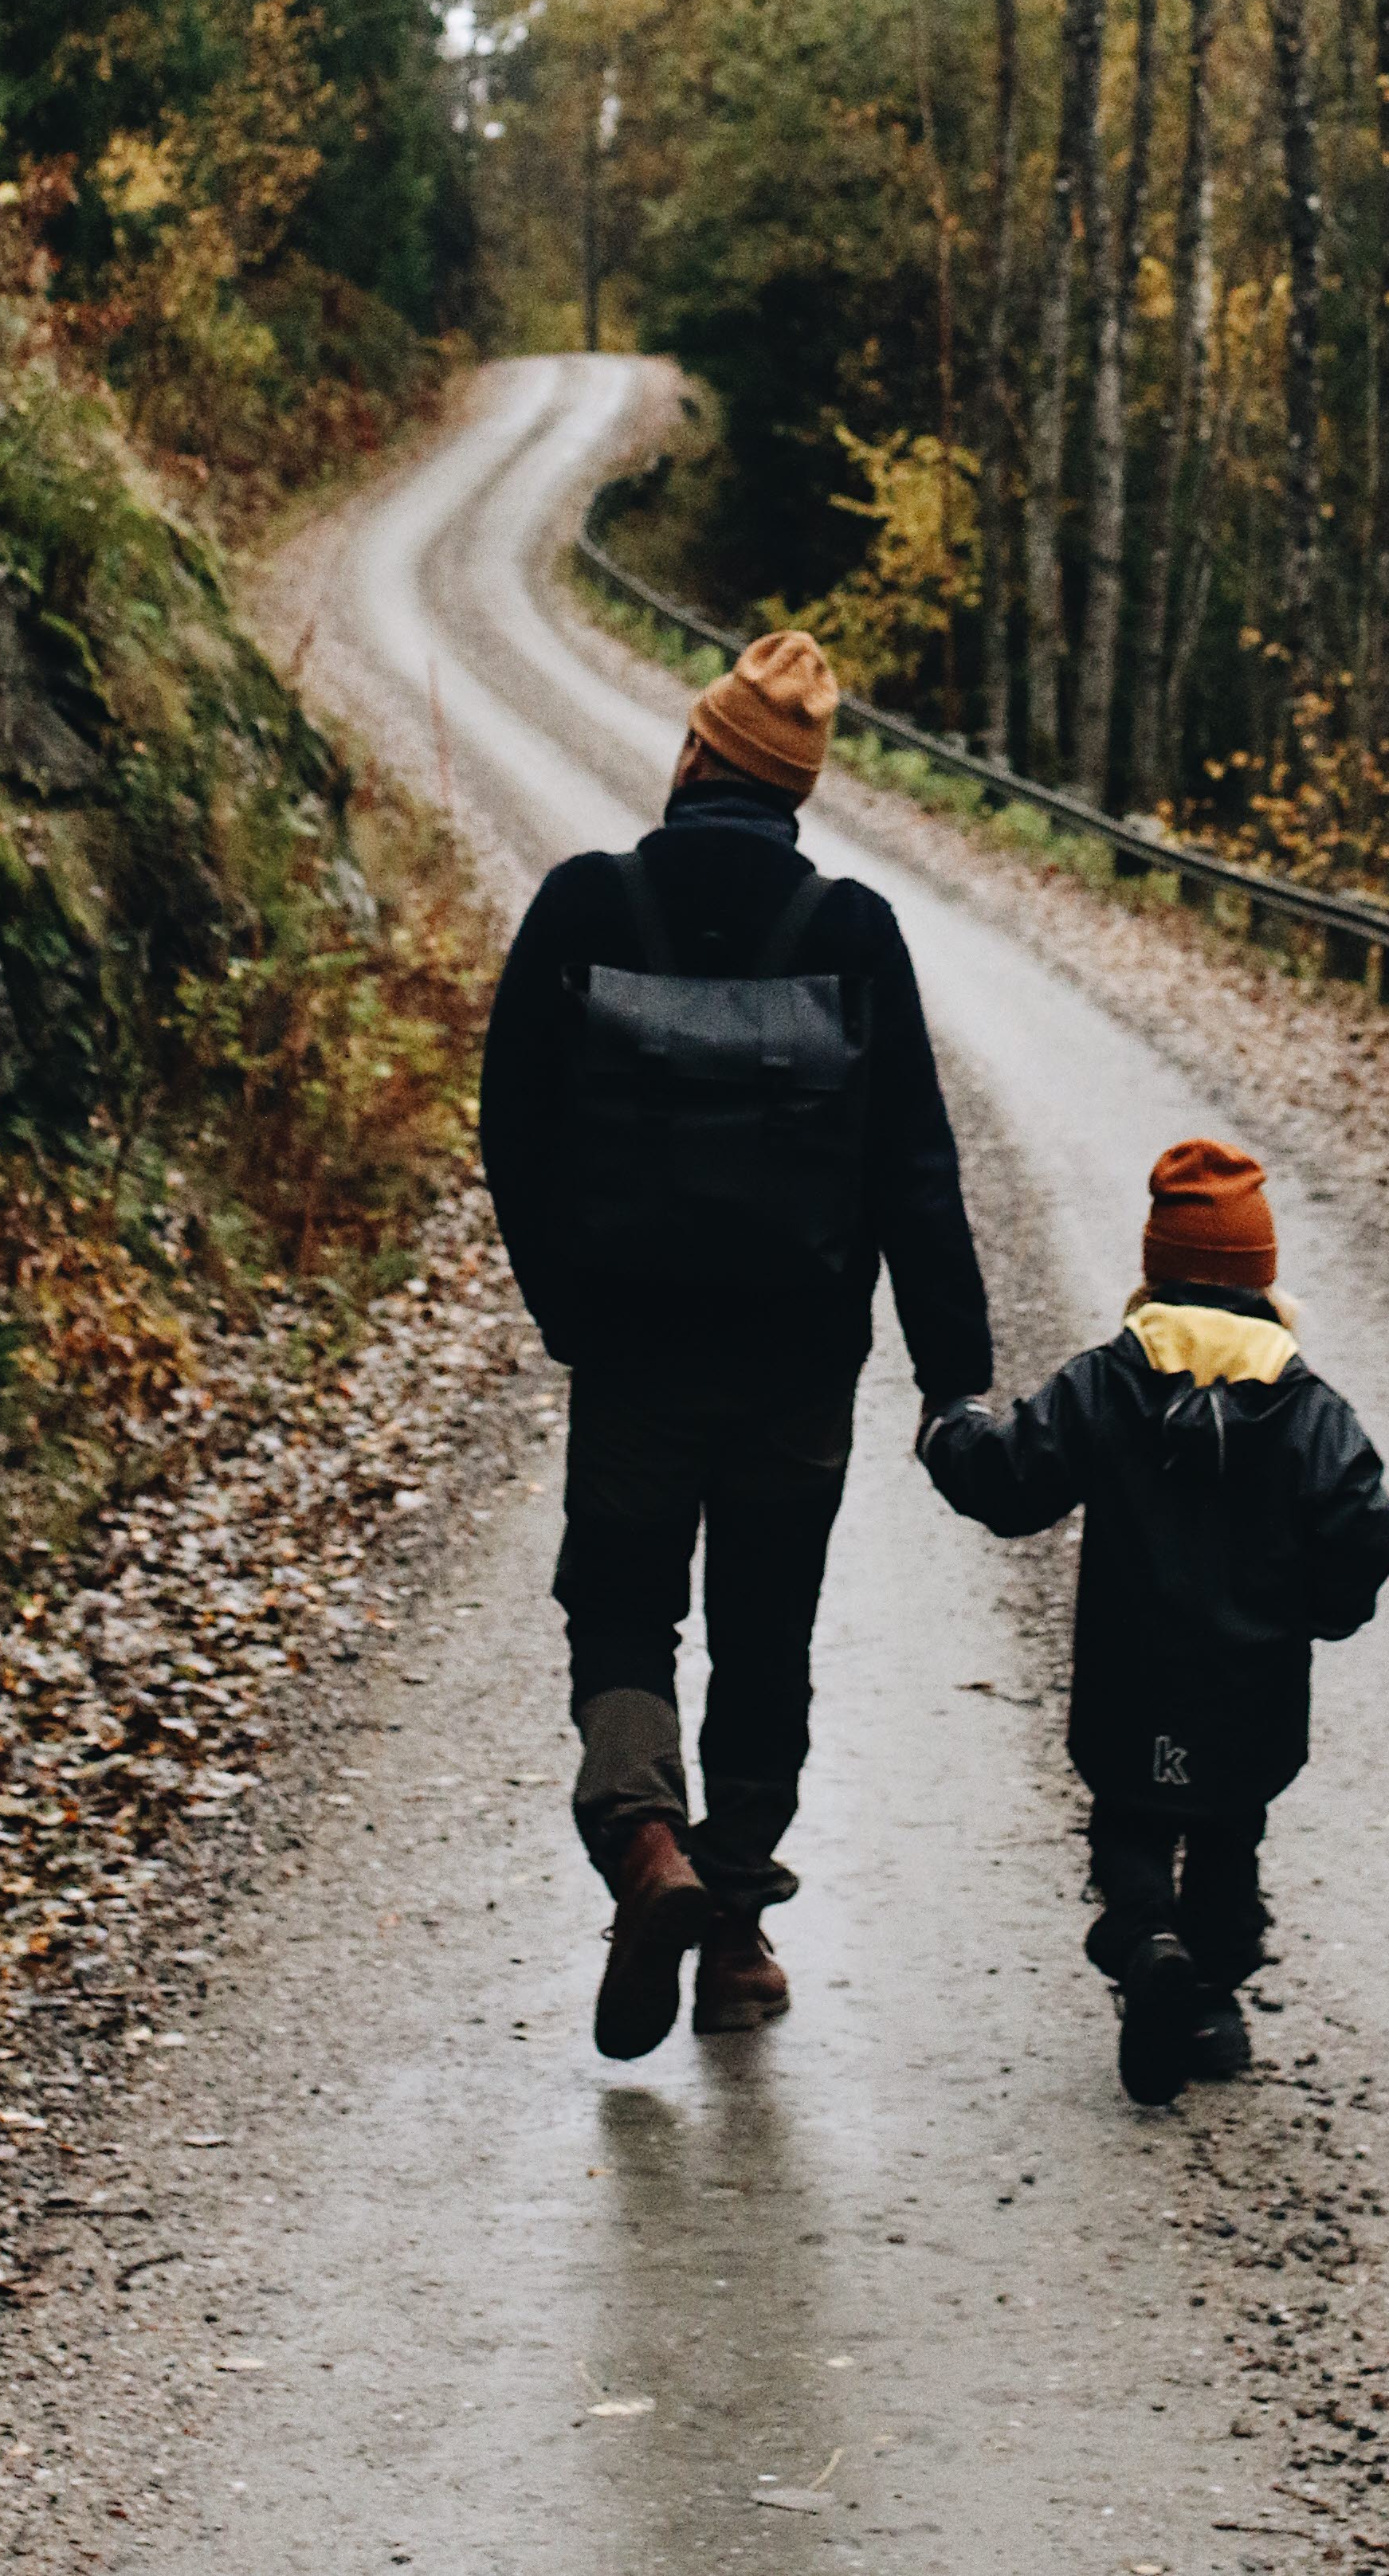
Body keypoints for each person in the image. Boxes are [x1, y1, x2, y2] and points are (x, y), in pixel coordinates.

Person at [481, 629, 992, 2060]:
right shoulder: (847, 930)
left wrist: (562, 1299)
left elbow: (510, 1125)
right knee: (765, 1632)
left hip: (636, 1344)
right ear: (798, 790)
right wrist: (952, 1374)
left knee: (624, 1608)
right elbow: (915, 1171)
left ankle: (647, 1850)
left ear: (698, 753)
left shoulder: (587, 903)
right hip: (796, 1360)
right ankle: (737, 1935)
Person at [916, 1138, 1389, 2105]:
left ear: (1153, 1271)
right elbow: (1363, 1529)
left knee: (1131, 1828)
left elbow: (1012, 1481)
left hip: (1132, 1683)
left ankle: (1146, 1946)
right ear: (1264, 1279)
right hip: (1251, 1693)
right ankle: (1212, 2005)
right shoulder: (1310, 1412)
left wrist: (948, 1428)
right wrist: (1322, 1612)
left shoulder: (1108, 1383)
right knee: (1229, 1835)